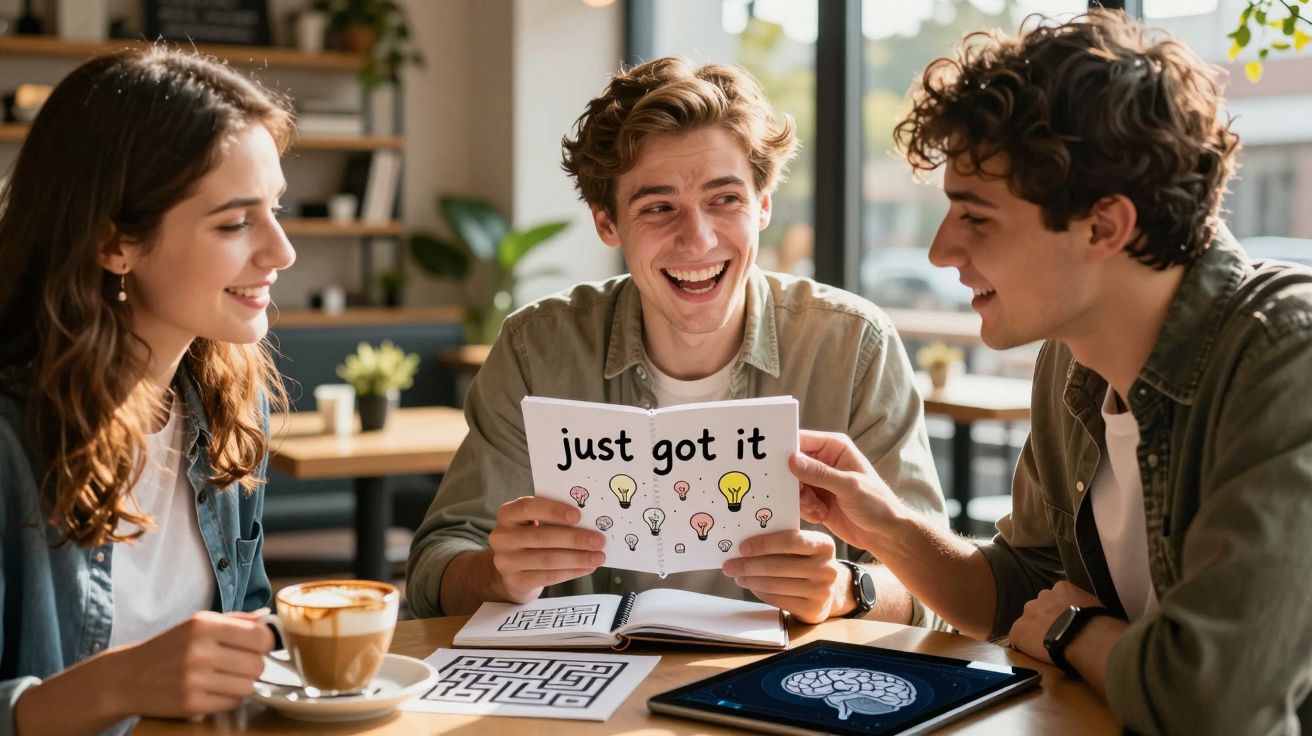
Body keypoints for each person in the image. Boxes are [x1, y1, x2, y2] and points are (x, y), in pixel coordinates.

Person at [791, 11, 1312, 733]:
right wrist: (884, 525)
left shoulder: (1286, 356)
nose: (941, 252)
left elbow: (1218, 704)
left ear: (1104, 226)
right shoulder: (1071, 357)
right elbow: (1022, 589)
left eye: (975, 217)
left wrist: (1076, 632)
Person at [408, 57, 949, 626]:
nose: (698, 239)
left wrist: (847, 589)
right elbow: (431, 571)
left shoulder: (853, 346)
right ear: (607, 224)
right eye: (658, 207)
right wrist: (498, 575)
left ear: (763, 205)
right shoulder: (534, 349)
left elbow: (937, 589)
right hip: (589, 692)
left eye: (725, 200)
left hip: (777, 693)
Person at [0, 46, 297, 735]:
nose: (282, 251)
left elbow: (246, 621)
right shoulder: (12, 439)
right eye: (235, 222)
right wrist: (118, 685)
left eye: (276, 208)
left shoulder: (225, 404)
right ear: (113, 243)